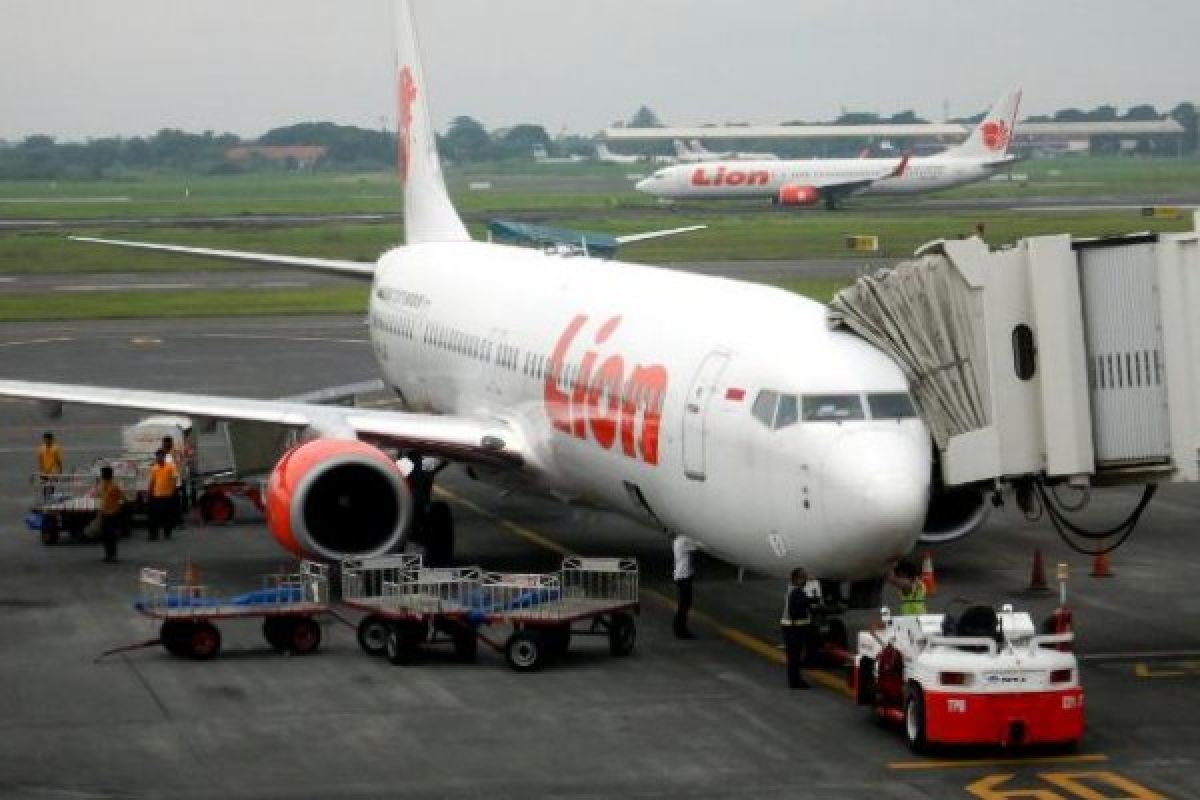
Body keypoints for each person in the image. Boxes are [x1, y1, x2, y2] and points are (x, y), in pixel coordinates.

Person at [781, 567, 816, 689]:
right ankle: (795, 682)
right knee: (794, 657)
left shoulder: (795, 590)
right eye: (803, 577)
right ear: (796, 579)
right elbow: (797, 608)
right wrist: (811, 601)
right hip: (792, 628)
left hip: (792, 627)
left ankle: (795, 680)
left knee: (795, 657)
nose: (805, 579)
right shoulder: (796, 592)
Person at [146, 449, 179, 541]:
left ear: (164, 457)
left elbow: (174, 479)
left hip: (167, 496)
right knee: (153, 516)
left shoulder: (171, 467)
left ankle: (167, 532)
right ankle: (153, 535)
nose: (158, 458)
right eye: (157, 456)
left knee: (167, 516)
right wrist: (149, 492)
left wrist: (172, 491)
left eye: (160, 456)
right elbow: (152, 482)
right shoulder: (154, 468)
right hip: (156, 496)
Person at [672, 534, 698, 639]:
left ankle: (679, 627)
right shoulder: (683, 540)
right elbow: (697, 547)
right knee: (685, 604)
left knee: (684, 604)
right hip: (684, 577)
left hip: (680, 575)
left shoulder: (677, 540)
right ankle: (680, 629)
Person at [96, 465, 124, 563]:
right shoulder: (102, 485)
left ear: (107, 475)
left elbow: (121, 498)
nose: (102, 475)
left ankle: (113, 555)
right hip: (104, 513)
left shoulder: (114, 486)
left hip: (112, 514)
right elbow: (99, 496)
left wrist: (117, 509)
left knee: (111, 535)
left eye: (103, 473)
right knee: (105, 535)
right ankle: (108, 554)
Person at [36, 431, 64, 501]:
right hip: (45, 472)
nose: (46, 441)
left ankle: (50, 501)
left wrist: (60, 471)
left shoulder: (55, 448)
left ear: (51, 439)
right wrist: (40, 472)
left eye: (48, 439)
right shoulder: (41, 449)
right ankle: (46, 501)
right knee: (45, 488)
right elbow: (40, 461)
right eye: (45, 439)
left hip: (53, 472)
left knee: (51, 487)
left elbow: (59, 461)